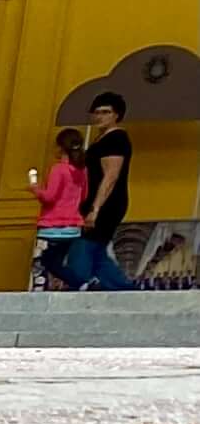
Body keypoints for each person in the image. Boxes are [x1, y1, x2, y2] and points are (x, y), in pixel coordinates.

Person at [77, 90, 141, 293]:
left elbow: (111, 176)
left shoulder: (116, 139)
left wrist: (95, 209)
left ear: (116, 115)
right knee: (95, 250)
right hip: (98, 201)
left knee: (86, 246)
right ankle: (125, 289)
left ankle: (78, 283)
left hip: (107, 202)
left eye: (105, 112)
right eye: (96, 112)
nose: (99, 116)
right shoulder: (101, 139)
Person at [29, 128, 89, 289]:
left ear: (60, 147)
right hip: (73, 228)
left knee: (42, 263)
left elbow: (49, 197)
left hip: (51, 227)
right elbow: (84, 197)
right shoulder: (82, 171)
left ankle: (77, 284)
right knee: (56, 262)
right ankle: (80, 283)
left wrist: (35, 188)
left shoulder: (59, 169)